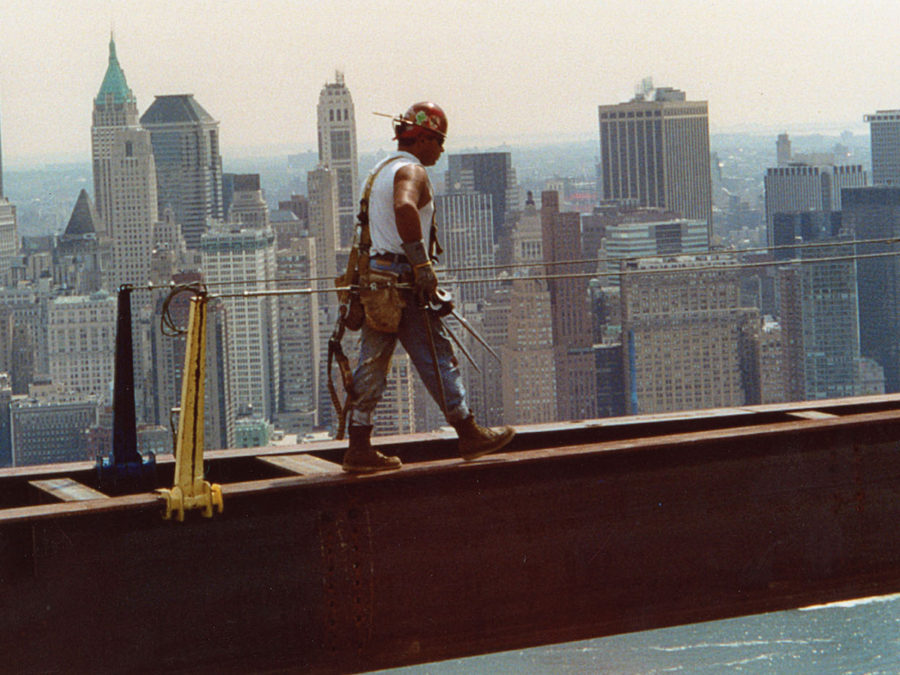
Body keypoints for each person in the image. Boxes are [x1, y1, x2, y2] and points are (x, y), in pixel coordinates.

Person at [342, 101, 515, 473]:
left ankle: (358, 444)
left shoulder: (378, 171)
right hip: (402, 284)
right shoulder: (411, 170)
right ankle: (468, 431)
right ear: (423, 138)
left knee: (371, 362)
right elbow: (405, 208)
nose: (441, 149)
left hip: (375, 282)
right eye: (439, 141)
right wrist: (421, 265)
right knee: (437, 356)